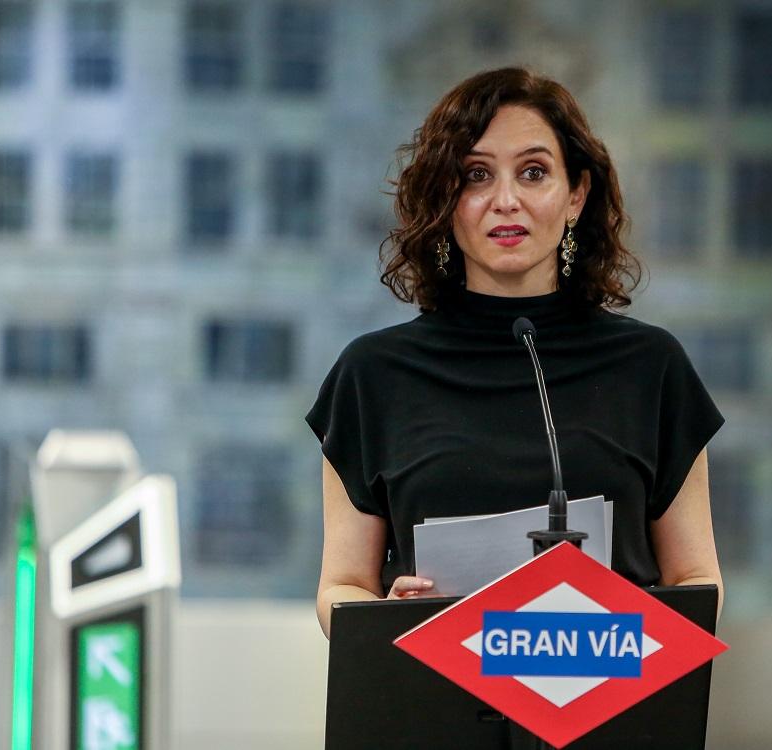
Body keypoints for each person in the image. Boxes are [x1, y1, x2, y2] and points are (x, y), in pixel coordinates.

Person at [306, 67, 724, 639]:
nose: (506, 201)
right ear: (446, 200)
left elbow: (696, 579)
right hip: (435, 711)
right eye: (476, 175)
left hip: (613, 709)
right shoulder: (373, 375)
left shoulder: (651, 368)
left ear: (576, 194)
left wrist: (633, 631)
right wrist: (385, 617)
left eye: (533, 173)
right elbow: (341, 586)